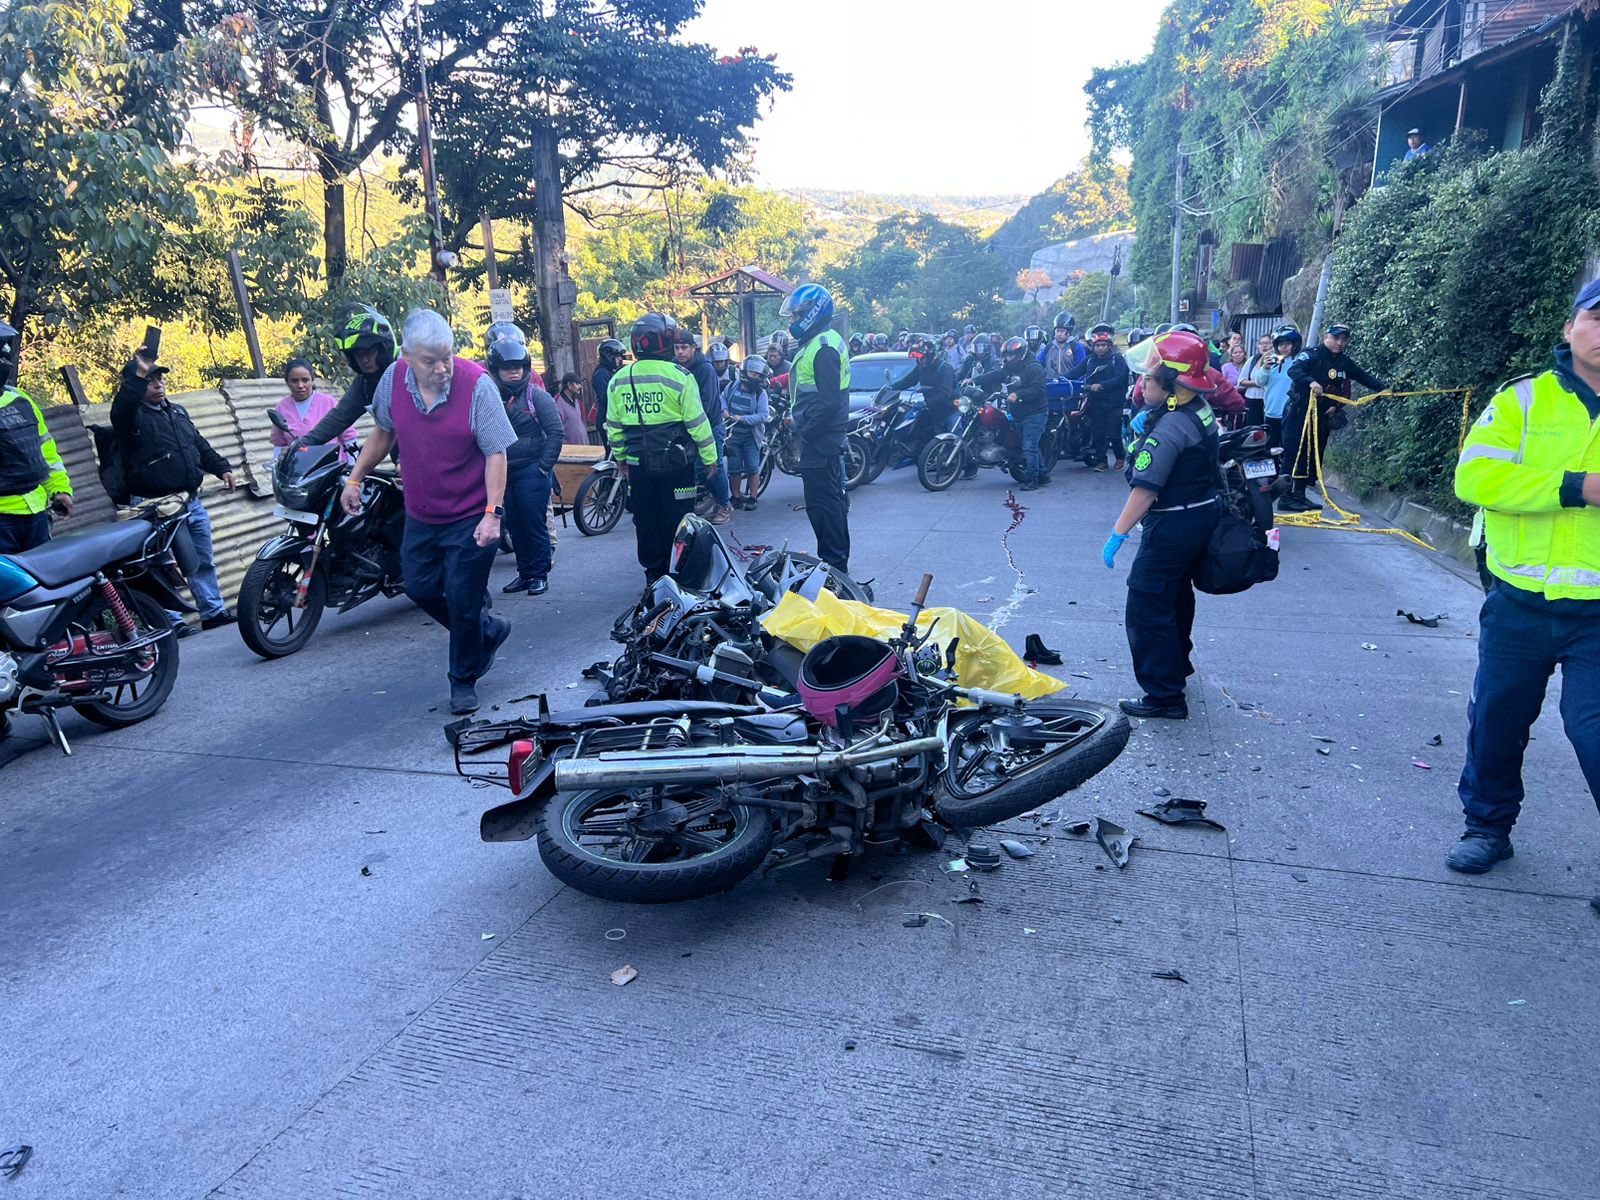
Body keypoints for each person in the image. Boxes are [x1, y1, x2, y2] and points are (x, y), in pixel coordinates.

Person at [1444, 277, 1600, 882]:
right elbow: (1476, 479)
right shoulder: (1521, 402)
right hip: (1518, 605)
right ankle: (1487, 828)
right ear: (1570, 327)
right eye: (1595, 317)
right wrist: (1577, 488)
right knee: (1498, 720)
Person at [342, 309, 517, 716]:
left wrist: (493, 513)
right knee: (420, 588)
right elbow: (383, 432)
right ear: (407, 356)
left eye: (447, 357)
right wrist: (355, 479)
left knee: (461, 597)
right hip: (422, 513)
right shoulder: (391, 382)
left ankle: (462, 679)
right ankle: (487, 630)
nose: (442, 368)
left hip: (472, 513)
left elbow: (496, 453)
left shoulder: (477, 385)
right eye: (430, 361)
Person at [1101, 330, 1222, 721]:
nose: (1141, 384)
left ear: (1171, 386)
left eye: (1148, 379)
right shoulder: (1197, 408)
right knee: (1175, 597)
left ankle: (1164, 695)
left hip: (1173, 525)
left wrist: (1118, 533)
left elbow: (1146, 490)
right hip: (1199, 516)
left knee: (1147, 603)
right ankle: (1177, 667)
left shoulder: (1171, 427)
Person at [111, 341, 237, 632]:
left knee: (201, 559)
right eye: (150, 380)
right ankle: (170, 621)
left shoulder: (177, 412)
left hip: (190, 502)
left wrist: (222, 468)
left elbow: (199, 445)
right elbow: (121, 408)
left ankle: (212, 612)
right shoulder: (130, 418)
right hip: (154, 507)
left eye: (160, 378)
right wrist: (137, 375)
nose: (157, 384)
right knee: (161, 565)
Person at [606, 312, 720, 583]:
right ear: (667, 342)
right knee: (679, 518)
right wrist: (710, 458)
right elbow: (697, 423)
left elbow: (613, 427)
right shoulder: (680, 376)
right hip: (677, 465)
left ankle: (654, 575)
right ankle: (680, 574)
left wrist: (621, 459)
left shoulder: (619, 379)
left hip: (637, 465)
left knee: (645, 519)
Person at [485, 333, 563, 597]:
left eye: (517, 367)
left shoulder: (537, 397)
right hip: (504, 471)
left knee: (533, 522)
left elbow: (555, 432)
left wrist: (544, 466)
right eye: (508, 368)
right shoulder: (490, 396)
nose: (514, 373)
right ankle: (524, 573)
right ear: (497, 370)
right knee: (514, 525)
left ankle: (539, 574)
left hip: (532, 469)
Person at [782, 284, 852, 571]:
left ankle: (836, 566)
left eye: (797, 316)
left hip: (821, 439)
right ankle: (831, 562)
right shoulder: (814, 342)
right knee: (818, 505)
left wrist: (806, 429)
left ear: (812, 313)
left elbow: (829, 401)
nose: (793, 322)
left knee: (826, 506)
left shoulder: (824, 347)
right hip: (816, 438)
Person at [1281, 322, 1387, 513]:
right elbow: (1294, 370)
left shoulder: (1343, 362)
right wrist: (1311, 381)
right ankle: (1285, 497)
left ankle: (1299, 495)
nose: (1340, 343)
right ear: (1326, 337)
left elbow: (1362, 376)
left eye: (1343, 340)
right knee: (1293, 454)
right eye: (1336, 338)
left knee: (1308, 455)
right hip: (1299, 412)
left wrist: (1383, 389)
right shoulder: (1311, 354)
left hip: (1319, 414)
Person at [0, 320, 73, 553]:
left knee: (47, 583)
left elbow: (45, 450)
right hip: (2, 519)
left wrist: (60, 489)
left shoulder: (19, 399)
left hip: (36, 511)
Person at [293, 304, 397, 450]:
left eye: (369, 352)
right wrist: (302, 444)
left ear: (383, 348)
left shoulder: (406, 372)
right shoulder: (365, 383)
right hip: (404, 464)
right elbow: (340, 416)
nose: (364, 360)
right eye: (358, 355)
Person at [971, 335, 1048, 490]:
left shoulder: (1034, 368)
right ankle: (1043, 475)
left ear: (1021, 354)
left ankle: (1032, 480)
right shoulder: (1009, 368)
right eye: (1005, 355)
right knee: (1027, 445)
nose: (1007, 359)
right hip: (1018, 413)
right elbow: (995, 375)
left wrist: (1019, 394)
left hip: (1035, 413)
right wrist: (975, 380)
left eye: (1011, 355)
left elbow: (1038, 389)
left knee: (1029, 447)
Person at [675, 329, 734, 525]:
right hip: (688, 427)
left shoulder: (705, 368)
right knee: (695, 469)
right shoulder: (675, 367)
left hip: (710, 425)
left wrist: (695, 429)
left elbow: (708, 404)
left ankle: (725, 505)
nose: (680, 352)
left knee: (712, 468)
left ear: (693, 348)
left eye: (684, 347)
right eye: (677, 348)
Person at [269, 359, 356, 462]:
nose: (300, 385)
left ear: (312, 380)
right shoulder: (282, 408)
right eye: (294, 381)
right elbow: (279, 444)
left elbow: (349, 437)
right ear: (287, 382)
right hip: (299, 469)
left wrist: (353, 468)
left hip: (331, 467)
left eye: (305, 380)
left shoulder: (329, 402)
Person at [722, 355, 771, 510]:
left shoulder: (760, 393)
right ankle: (736, 497)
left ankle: (753, 497)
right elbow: (721, 399)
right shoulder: (731, 387)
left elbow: (763, 415)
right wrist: (724, 410)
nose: (756, 376)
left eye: (759, 374)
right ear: (744, 372)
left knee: (752, 467)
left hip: (751, 436)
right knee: (734, 468)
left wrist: (741, 418)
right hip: (732, 435)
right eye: (753, 373)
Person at [890, 333, 958, 445]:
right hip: (934, 412)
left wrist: (927, 403)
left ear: (930, 355)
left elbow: (945, 393)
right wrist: (892, 388)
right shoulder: (921, 367)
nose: (919, 360)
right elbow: (908, 381)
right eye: (917, 358)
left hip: (949, 411)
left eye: (921, 358)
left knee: (955, 442)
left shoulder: (945, 368)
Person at [1082, 323, 1131, 471]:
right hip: (1096, 402)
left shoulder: (1118, 359)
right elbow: (1076, 371)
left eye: (1103, 345)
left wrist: (1101, 385)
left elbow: (1118, 378)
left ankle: (1120, 456)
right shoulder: (1090, 359)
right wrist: (1060, 378)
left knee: (1114, 433)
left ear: (1109, 346)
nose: (1100, 348)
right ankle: (1101, 461)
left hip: (1115, 403)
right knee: (1098, 433)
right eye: (1097, 345)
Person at [1255, 324, 1302, 451]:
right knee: (1270, 449)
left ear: (1295, 345)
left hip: (1291, 413)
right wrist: (1265, 368)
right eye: (1281, 344)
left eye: (1287, 344)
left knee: (1289, 449)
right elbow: (1259, 382)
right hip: (1272, 412)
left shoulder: (1300, 362)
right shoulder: (1271, 361)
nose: (1284, 347)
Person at [590, 338, 626, 446]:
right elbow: (607, 397)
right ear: (609, 356)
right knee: (612, 451)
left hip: (610, 417)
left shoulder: (608, 372)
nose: (620, 359)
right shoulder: (601, 374)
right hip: (605, 418)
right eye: (618, 356)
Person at [1241, 333, 1275, 427]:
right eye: (1261, 343)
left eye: (1267, 343)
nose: (1264, 346)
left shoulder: (1277, 360)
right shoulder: (1252, 360)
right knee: (1254, 429)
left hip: (1268, 400)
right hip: (1251, 400)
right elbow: (1242, 380)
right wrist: (1259, 383)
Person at [552, 373, 591, 446]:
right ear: (569, 385)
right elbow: (556, 431)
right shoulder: (557, 403)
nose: (580, 386)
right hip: (569, 450)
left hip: (583, 447)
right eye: (577, 383)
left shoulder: (577, 402)